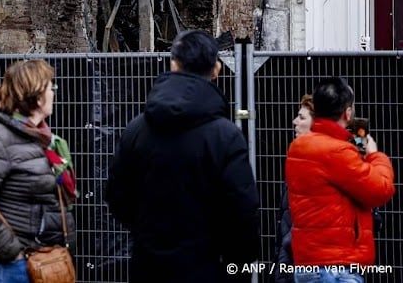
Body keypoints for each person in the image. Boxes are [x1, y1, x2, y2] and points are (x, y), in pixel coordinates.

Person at [105, 29, 259, 282]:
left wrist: (149, 230)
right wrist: (236, 266)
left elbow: (117, 196)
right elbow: (242, 212)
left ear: (173, 63)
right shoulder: (225, 136)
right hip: (208, 267)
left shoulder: (136, 129)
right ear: (216, 70)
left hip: (148, 266)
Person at [0, 58, 76, 283]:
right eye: (50, 87)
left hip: (40, 262)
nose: (53, 93)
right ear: (35, 93)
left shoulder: (42, 140)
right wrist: (13, 252)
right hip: (7, 268)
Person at [285, 77, 395, 282]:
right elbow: (380, 189)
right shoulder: (338, 152)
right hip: (336, 266)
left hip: (307, 262)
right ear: (348, 113)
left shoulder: (298, 147)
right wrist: (374, 155)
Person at [274, 94, 314, 283]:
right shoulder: (299, 156)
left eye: (302, 117)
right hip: (291, 254)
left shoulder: (317, 161)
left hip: (305, 256)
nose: (295, 121)